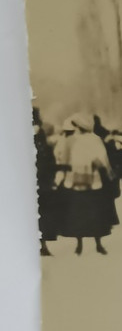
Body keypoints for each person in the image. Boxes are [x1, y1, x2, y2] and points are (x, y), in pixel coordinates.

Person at [59, 113, 118, 255]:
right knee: (95, 211)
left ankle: (79, 245)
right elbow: (103, 159)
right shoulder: (96, 139)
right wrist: (109, 173)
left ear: (77, 127)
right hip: (94, 180)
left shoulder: (70, 140)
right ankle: (98, 244)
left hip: (75, 181)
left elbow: (64, 161)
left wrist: (61, 176)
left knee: (78, 212)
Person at [33, 108, 59, 256]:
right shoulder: (39, 134)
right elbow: (47, 158)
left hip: (38, 180)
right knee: (42, 213)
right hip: (42, 181)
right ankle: (42, 244)